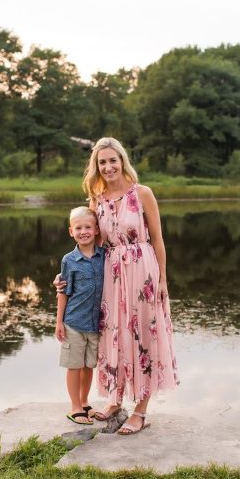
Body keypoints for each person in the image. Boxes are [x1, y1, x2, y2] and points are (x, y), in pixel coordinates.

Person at [57, 137, 179, 435]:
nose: (108, 166)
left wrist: (163, 279)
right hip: (110, 274)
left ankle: (140, 410)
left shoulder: (143, 194)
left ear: (122, 161)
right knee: (113, 335)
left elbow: (158, 240)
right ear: (96, 167)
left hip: (142, 271)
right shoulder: (97, 200)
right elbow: (90, 244)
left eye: (113, 160)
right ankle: (114, 398)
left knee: (143, 336)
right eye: (102, 162)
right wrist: (67, 274)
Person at [55, 206, 105, 425]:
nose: (83, 231)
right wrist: (59, 322)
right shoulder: (69, 260)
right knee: (74, 366)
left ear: (96, 230)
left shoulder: (104, 256)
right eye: (78, 228)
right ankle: (75, 407)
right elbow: (63, 292)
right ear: (70, 231)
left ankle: (85, 402)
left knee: (88, 366)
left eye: (87, 227)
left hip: (95, 323)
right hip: (74, 322)